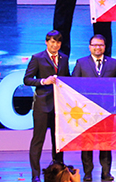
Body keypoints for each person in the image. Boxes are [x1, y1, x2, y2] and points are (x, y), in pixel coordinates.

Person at [71, 34, 116, 181]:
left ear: (105, 47)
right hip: (86, 111)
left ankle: (106, 172)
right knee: (87, 142)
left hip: (106, 110)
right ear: (89, 47)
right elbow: (73, 85)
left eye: (101, 45)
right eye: (95, 45)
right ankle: (87, 173)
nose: (98, 47)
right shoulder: (81, 63)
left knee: (106, 142)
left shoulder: (113, 63)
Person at [24, 30, 71, 182]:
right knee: (38, 141)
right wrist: (44, 81)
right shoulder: (37, 58)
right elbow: (27, 79)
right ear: (46, 42)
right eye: (52, 42)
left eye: (58, 42)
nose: (55, 45)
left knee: (58, 141)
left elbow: (67, 78)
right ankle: (35, 174)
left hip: (59, 106)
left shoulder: (64, 58)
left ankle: (59, 172)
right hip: (42, 106)